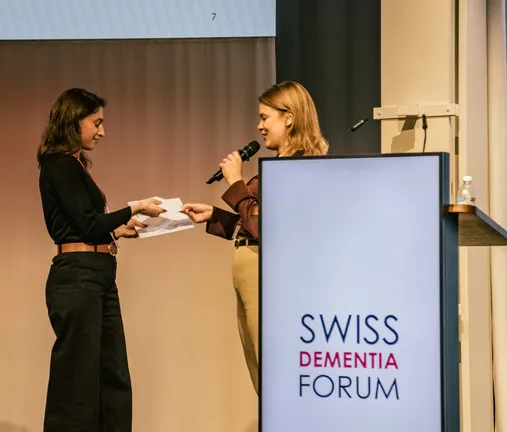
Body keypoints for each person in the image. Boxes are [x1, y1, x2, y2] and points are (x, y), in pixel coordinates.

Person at [181, 81, 328, 394]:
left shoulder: (299, 166)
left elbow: (266, 227)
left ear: (288, 118)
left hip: (267, 275)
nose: (259, 126)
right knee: (258, 369)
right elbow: (254, 221)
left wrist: (235, 181)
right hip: (251, 273)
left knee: (271, 367)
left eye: (265, 117)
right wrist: (215, 216)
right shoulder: (278, 167)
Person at [37, 88, 165, 432]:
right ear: (72, 122)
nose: (102, 131)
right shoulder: (58, 164)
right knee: (78, 381)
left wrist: (118, 230)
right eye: (96, 123)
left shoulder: (73, 164)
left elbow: (86, 225)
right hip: (78, 277)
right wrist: (134, 207)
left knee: (112, 374)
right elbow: (86, 224)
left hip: (97, 274)